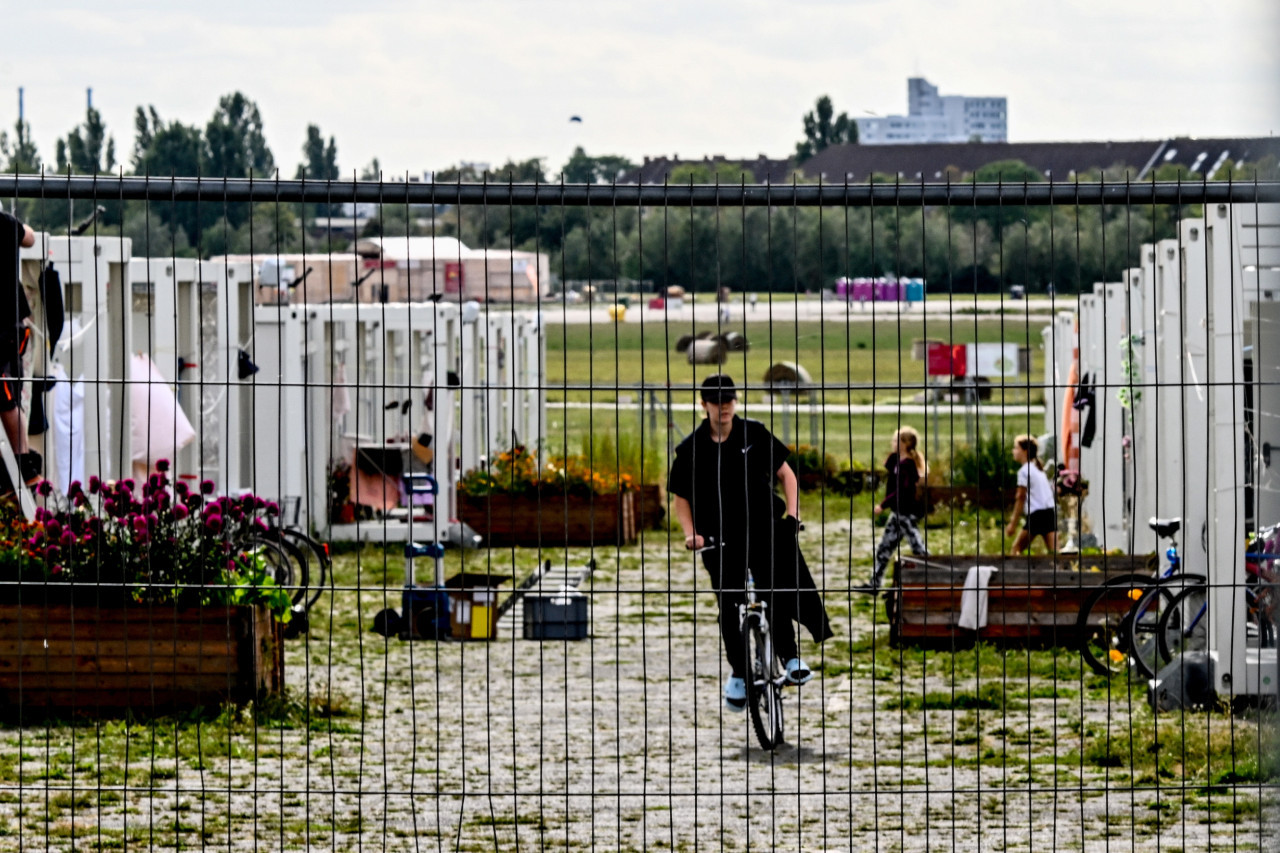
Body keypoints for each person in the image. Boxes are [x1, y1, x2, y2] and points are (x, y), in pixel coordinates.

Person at [668, 374, 833, 713]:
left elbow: (786, 475)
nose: (723, 406)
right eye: (716, 400)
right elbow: (680, 497)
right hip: (718, 537)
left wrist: (793, 514)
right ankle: (740, 674)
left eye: (729, 399)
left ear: (735, 401)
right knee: (730, 606)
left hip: (764, 528)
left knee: (775, 590)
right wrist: (691, 534)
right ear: (703, 405)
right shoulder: (690, 449)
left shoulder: (754, 433)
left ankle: (790, 658)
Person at [858, 426, 929, 594]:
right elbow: (889, 468)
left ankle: (935, 576)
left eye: (896, 440)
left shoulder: (908, 466)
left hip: (905, 514)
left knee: (918, 549)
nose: (893, 443)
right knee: (884, 548)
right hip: (897, 513)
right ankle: (874, 584)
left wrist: (882, 505)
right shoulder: (899, 462)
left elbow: (900, 491)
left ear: (905, 444)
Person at [0, 205, 40, 488]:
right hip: (11, 323)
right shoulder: (5, 224)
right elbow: (30, 237)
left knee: (5, 394)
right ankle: (22, 456)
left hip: (3, 327)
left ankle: (21, 458)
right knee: (10, 391)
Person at [1005, 434, 1057, 554]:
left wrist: (1013, 524)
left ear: (1025, 451)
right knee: (1054, 553)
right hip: (1049, 513)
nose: (1013, 451)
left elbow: (1020, 497)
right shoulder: (1038, 470)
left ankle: (1015, 573)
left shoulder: (1024, 471)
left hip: (1037, 516)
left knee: (1016, 549)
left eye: (1016, 448)